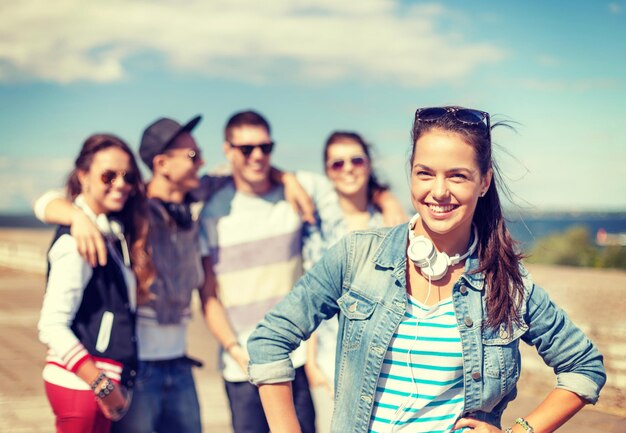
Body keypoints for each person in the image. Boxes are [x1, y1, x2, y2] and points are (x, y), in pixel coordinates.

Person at [247, 106, 606, 433]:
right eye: (425, 173)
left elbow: (584, 367)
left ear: (484, 182)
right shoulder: (356, 255)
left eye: (457, 176)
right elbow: (269, 341)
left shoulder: (506, 282)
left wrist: (521, 432)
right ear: (411, 175)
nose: (439, 191)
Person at [33, 115, 313, 433]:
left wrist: (287, 178)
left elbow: (247, 169)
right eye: (192, 156)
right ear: (163, 163)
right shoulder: (130, 205)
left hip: (180, 363)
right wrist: (75, 216)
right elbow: (45, 203)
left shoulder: (197, 195)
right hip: (138, 369)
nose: (202, 161)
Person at [199, 111, 406, 433]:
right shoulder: (211, 209)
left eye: (265, 148)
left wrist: (387, 198)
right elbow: (207, 293)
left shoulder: (304, 190)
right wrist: (234, 349)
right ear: (227, 150)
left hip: (295, 359)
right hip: (240, 364)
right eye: (246, 149)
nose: (257, 156)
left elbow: (351, 191)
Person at [38, 134, 154, 433]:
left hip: (95, 386)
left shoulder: (109, 232)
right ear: (83, 176)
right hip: (81, 387)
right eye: (108, 175)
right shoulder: (76, 243)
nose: (120, 184)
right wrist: (101, 385)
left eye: (127, 176)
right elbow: (51, 326)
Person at [304, 131, 404, 433]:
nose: (348, 168)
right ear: (327, 172)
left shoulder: (392, 221)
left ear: (369, 163)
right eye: (337, 163)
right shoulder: (316, 228)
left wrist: (387, 199)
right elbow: (310, 298)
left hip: (388, 364)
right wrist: (310, 363)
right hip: (329, 363)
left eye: (356, 160)